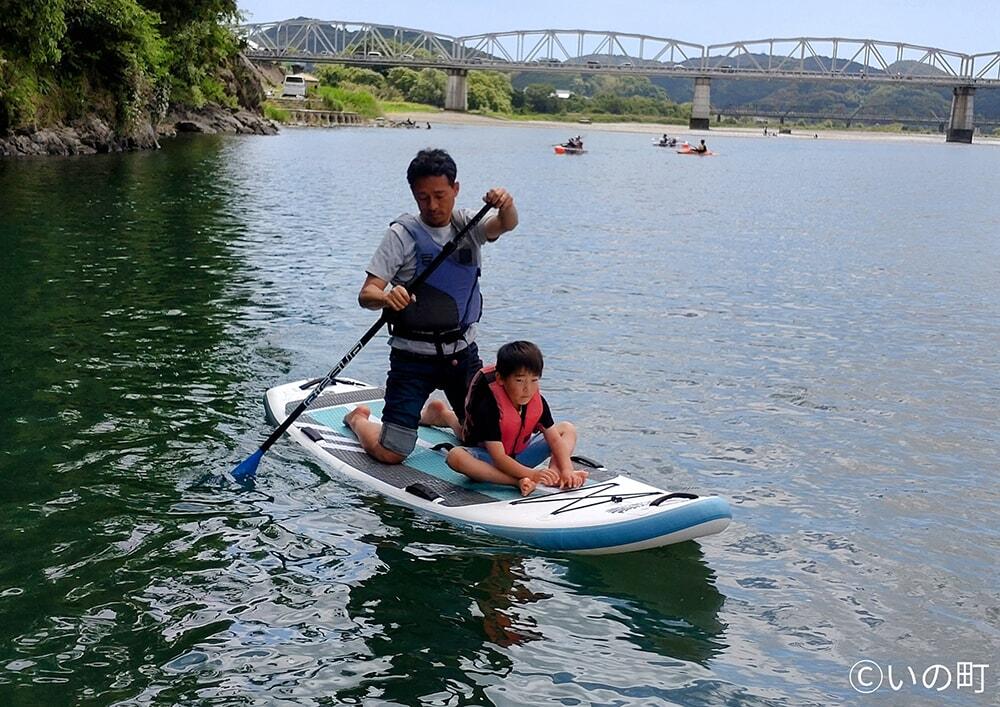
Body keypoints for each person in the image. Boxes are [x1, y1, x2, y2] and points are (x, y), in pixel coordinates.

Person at [344, 148, 518, 464]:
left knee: (488, 443)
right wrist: (385, 297)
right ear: (413, 194)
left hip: (462, 357)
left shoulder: (469, 224)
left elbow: (505, 225)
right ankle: (358, 419)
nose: (433, 205)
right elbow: (367, 293)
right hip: (413, 359)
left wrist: (507, 204)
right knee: (391, 453)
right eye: (423, 197)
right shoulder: (401, 235)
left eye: (440, 195)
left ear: (456, 189)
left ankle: (443, 415)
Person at [444, 341, 589, 496]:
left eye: (534, 380)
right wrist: (531, 475)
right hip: (492, 460)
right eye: (519, 380)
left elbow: (554, 440)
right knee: (455, 456)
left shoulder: (537, 401)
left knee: (567, 429)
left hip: (520, 455)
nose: (527, 389)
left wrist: (567, 470)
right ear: (500, 379)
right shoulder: (489, 407)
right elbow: (499, 458)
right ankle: (515, 481)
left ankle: (554, 473)